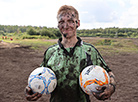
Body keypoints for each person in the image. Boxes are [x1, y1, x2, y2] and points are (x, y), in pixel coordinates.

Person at [25, 5, 116, 102]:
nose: (65, 26)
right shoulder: (50, 52)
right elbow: (40, 75)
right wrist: (31, 89)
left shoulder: (89, 51)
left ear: (78, 23)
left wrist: (111, 87)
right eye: (61, 22)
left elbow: (108, 72)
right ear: (58, 25)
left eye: (70, 21)